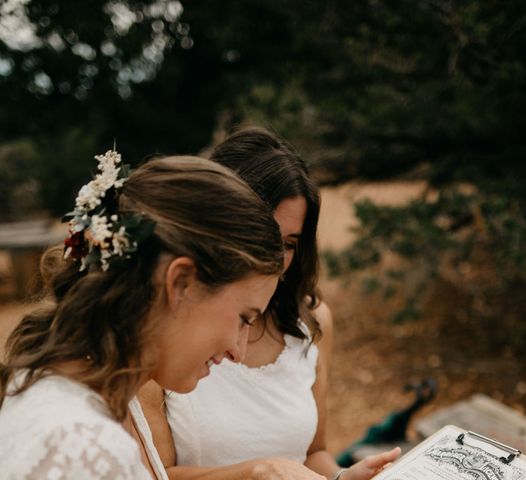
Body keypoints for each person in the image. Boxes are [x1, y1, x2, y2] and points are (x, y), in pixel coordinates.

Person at [0, 151, 286, 479]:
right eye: (244, 318)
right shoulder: (77, 446)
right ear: (180, 283)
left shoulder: (115, 394)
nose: (239, 350)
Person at [138, 128, 400, 480]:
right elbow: (154, 473)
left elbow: (312, 452)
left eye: (290, 243)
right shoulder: (164, 329)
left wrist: (341, 478)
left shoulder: (312, 321)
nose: (274, 260)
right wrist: (257, 472)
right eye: (263, 237)